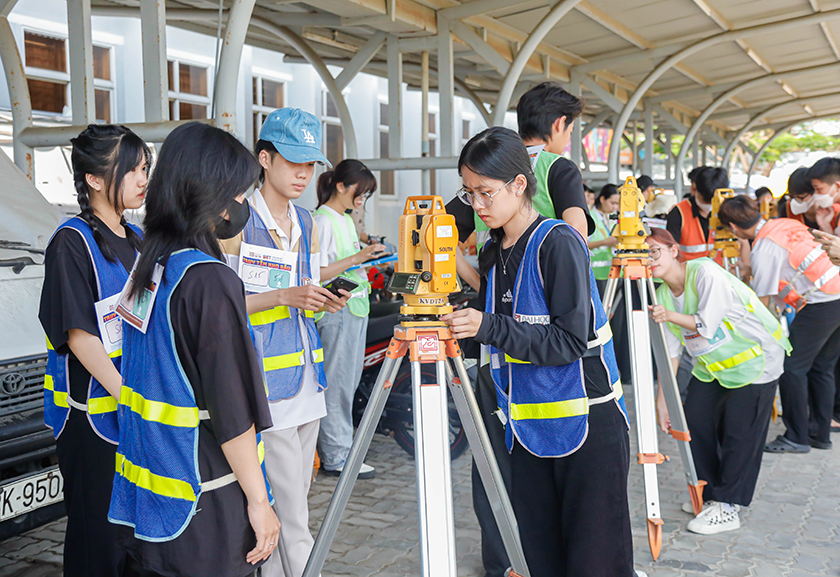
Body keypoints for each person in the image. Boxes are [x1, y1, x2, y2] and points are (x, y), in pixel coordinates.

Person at [442, 126, 635, 577]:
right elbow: (508, 329)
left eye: (486, 193)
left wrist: (487, 325)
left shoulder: (558, 243)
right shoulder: (495, 248)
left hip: (588, 427)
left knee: (594, 561)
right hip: (527, 428)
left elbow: (570, 342)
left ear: (520, 185)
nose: (478, 205)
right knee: (538, 556)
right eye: (469, 194)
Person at [108, 122, 280, 576]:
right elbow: (232, 411)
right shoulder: (209, 281)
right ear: (214, 196)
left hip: (149, 505)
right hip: (204, 504)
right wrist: (260, 502)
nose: (243, 205)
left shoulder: (149, 265)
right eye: (240, 194)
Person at [219, 108, 349, 577]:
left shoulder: (307, 221)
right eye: (293, 161)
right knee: (290, 516)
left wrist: (319, 301)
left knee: (290, 510)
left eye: (310, 165)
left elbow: (306, 288)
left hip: (307, 385)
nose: (303, 174)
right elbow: (222, 305)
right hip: (263, 388)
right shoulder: (233, 222)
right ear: (265, 159)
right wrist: (281, 295)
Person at [39, 124, 149, 577]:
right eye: (134, 170)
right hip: (91, 417)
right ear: (96, 180)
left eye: (146, 169)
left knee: (131, 538)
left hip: (131, 411)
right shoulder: (72, 241)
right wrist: (128, 395)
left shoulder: (139, 240)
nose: (143, 179)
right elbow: (79, 333)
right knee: (97, 539)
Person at [647, 228, 790, 535]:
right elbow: (672, 354)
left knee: (741, 433)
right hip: (713, 367)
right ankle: (710, 492)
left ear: (673, 250)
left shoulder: (705, 272)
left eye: (655, 251)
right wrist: (662, 401)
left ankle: (727, 505)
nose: (649, 259)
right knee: (696, 421)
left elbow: (705, 325)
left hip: (756, 360)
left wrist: (669, 317)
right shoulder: (661, 295)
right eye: (642, 254)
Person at [719, 195, 840, 453]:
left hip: (821, 302)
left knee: (792, 368)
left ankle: (797, 437)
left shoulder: (763, 248)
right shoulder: (783, 224)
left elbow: (762, 305)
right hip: (835, 293)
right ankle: (819, 433)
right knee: (822, 367)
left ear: (733, 228)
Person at [313, 159, 386, 478]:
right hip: (336, 312)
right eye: (361, 192)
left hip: (354, 310)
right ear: (340, 186)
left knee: (347, 384)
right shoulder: (323, 221)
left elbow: (346, 266)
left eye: (367, 195)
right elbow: (317, 271)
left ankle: (340, 450)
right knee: (338, 386)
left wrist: (368, 258)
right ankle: (337, 456)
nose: (363, 199)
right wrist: (358, 257)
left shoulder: (343, 219)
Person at [666, 166, 727, 261]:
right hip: (689, 273)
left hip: (721, 272)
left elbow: (742, 242)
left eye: (713, 201)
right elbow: (671, 249)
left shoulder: (728, 211)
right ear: (695, 189)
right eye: (706, 200)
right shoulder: (679, 212)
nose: (709, 205)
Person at [783, 167, 840, 232]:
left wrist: (825, 225)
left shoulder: (834, 212)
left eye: (801, 197)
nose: (796, 201)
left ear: (815, 192)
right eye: (792, 197)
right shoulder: (787, 209)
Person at [588, 184, 619, 294]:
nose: (614, 207)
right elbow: (582, 243)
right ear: (602, 199)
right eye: (612, 203)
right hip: (595, 274)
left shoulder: (611, 219)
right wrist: (604, 242)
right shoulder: (590, 217)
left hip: (612, 272)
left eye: (617, 204)